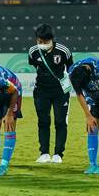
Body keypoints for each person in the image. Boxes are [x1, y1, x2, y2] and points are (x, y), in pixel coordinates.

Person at [26, 24, 73, 164]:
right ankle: (44, 153)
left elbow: (71, 67)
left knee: (60, 121)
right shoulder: (33, 51)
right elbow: (35, 66)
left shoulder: (63, 50)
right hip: (41, 91)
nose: (41, 44)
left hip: (60, 91)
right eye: (39, 41)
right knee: (43, 121)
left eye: (45, 42)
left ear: (52, 39)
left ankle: (58, 154)